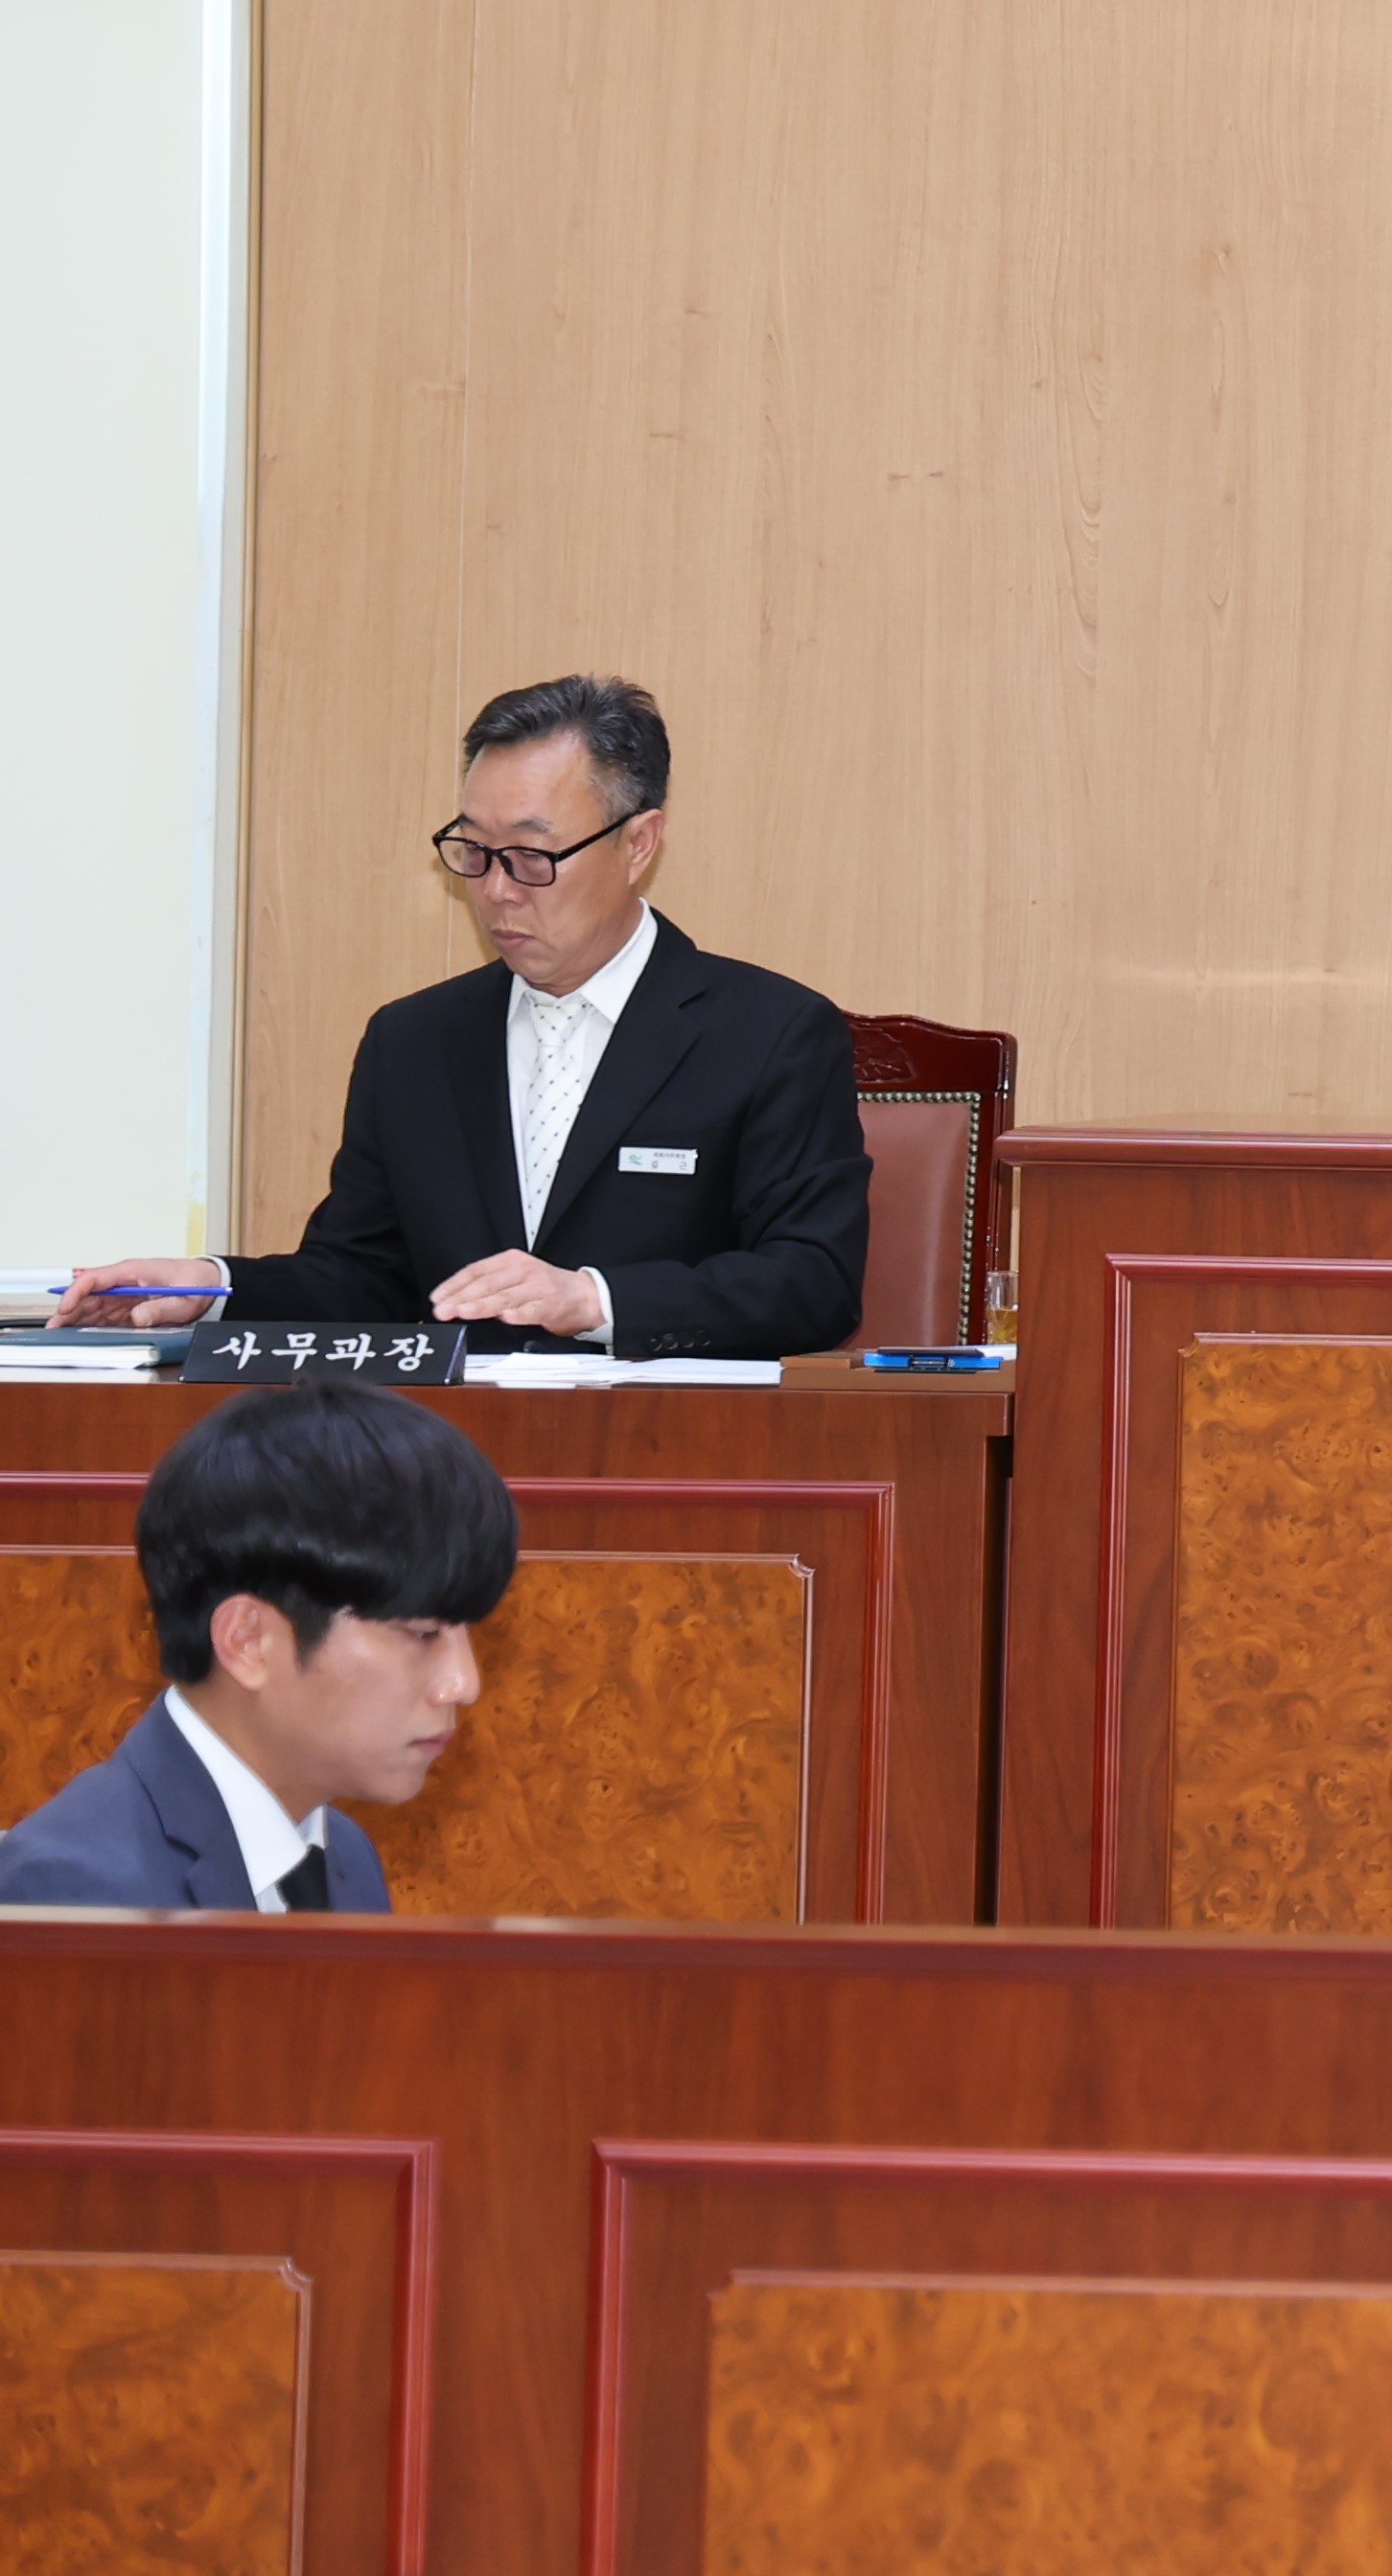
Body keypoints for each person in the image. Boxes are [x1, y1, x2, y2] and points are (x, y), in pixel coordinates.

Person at [62, 676, 872, 1357]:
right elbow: (364, 1277)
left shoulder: (769, 1032)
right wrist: (214, 1287)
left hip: (670, 1455)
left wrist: (594, 1299)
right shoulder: (413, 1040)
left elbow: (812, 1281)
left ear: (638, 842)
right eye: (474, 851)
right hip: (447, 1464)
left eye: (532, 855)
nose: (497, 889)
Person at [0, 1382, 515, 1912]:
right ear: (248, 1641)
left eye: (466, 1632)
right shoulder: (79, 1893)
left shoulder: (342, 1853)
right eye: (424, 1633)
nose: (464, 1683)